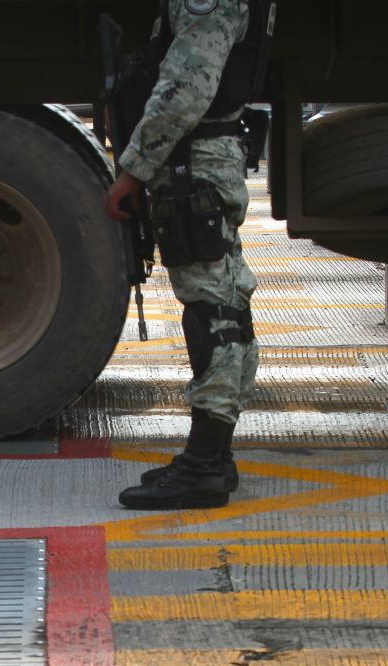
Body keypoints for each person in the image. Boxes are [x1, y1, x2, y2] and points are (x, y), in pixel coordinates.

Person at [104, 0, 260, 511]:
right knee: (228, 305)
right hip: (208, 157)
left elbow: (186, 84)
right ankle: (214, 456)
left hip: (195, 162)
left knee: (212, 313)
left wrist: (133, 170)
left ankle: (203, 466)